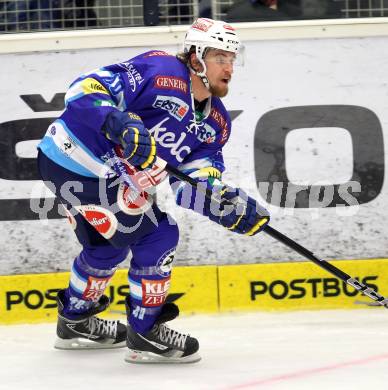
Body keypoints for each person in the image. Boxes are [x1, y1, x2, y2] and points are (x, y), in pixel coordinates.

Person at [37, 17, 270, 364]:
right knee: (158, 235)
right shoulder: (159, 70)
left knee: (108, 249)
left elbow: (189, 182)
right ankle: (145, 332)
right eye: (221, 57)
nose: (229, 67)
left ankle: (75, 321)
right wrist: (117, 121)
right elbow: (82, 91)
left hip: (86, 173)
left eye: (233, 59)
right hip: (78, 160)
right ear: (195, 58)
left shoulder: (216, 125)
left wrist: (224, 204)